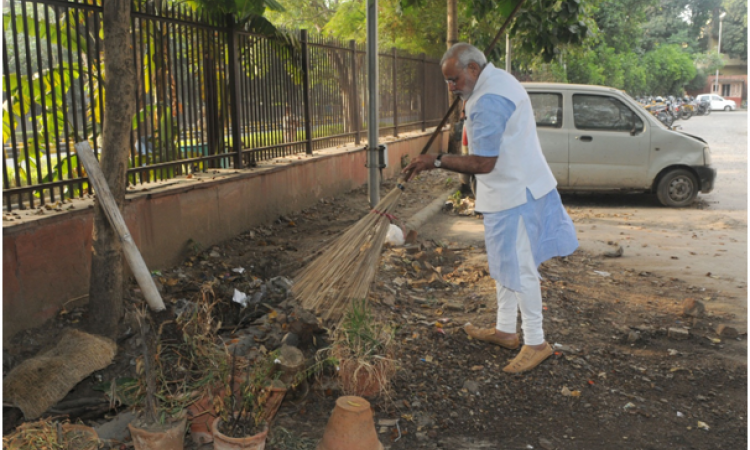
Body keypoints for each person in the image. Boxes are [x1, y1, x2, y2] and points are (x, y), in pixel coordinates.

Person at [402, 43, 579, 374]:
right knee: (504, 264)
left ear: (472, 69)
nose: (451, 87)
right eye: (448, 82)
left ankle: (536, 342)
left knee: (522, 268)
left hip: (516, 194)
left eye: (454, 79)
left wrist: (435, 160)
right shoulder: (498, 80)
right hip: (513, 189)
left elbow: (483, 162)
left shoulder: (487, 100)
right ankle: (505, 331)